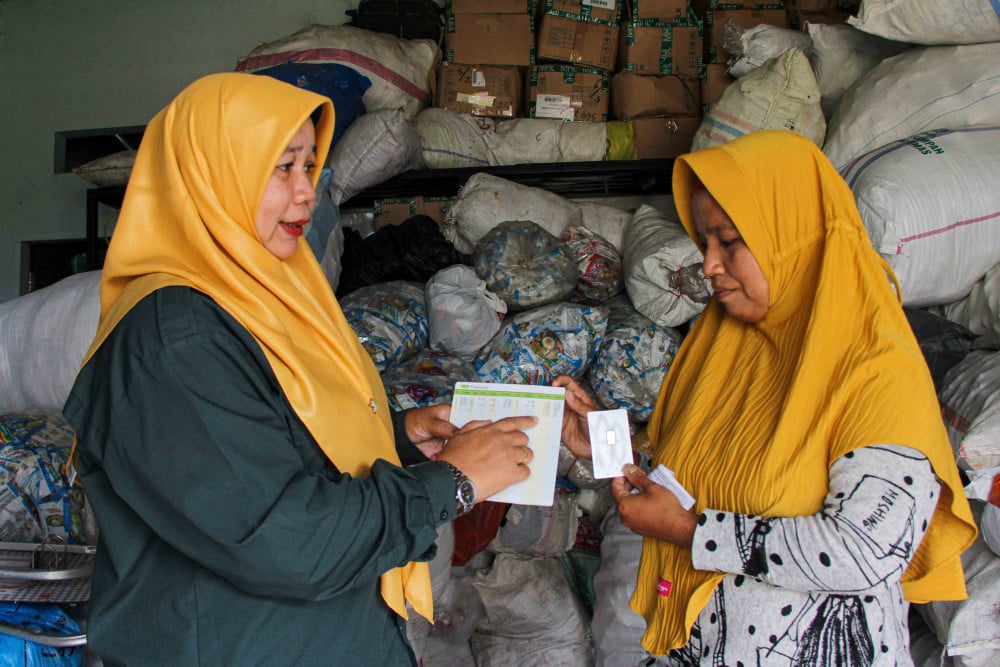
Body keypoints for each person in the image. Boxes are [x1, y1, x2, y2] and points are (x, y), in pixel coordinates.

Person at [62, 72, 537, 666]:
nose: (308, 192)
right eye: (282, 167)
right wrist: (453, 484)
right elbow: (288, 541)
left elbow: (270, 440)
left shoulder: (262, 295)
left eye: (310, 167)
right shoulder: (172, 339)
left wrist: (395, 437)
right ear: (211, 178)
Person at [557, 130, 977, 665]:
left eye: (728, 242)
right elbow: (691, 475)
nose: (709, 264)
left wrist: (692, 533)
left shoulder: (874, 370)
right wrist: (610, 444)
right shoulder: (726, 345)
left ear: (791, 237)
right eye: (705, 242)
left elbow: (867, 551)